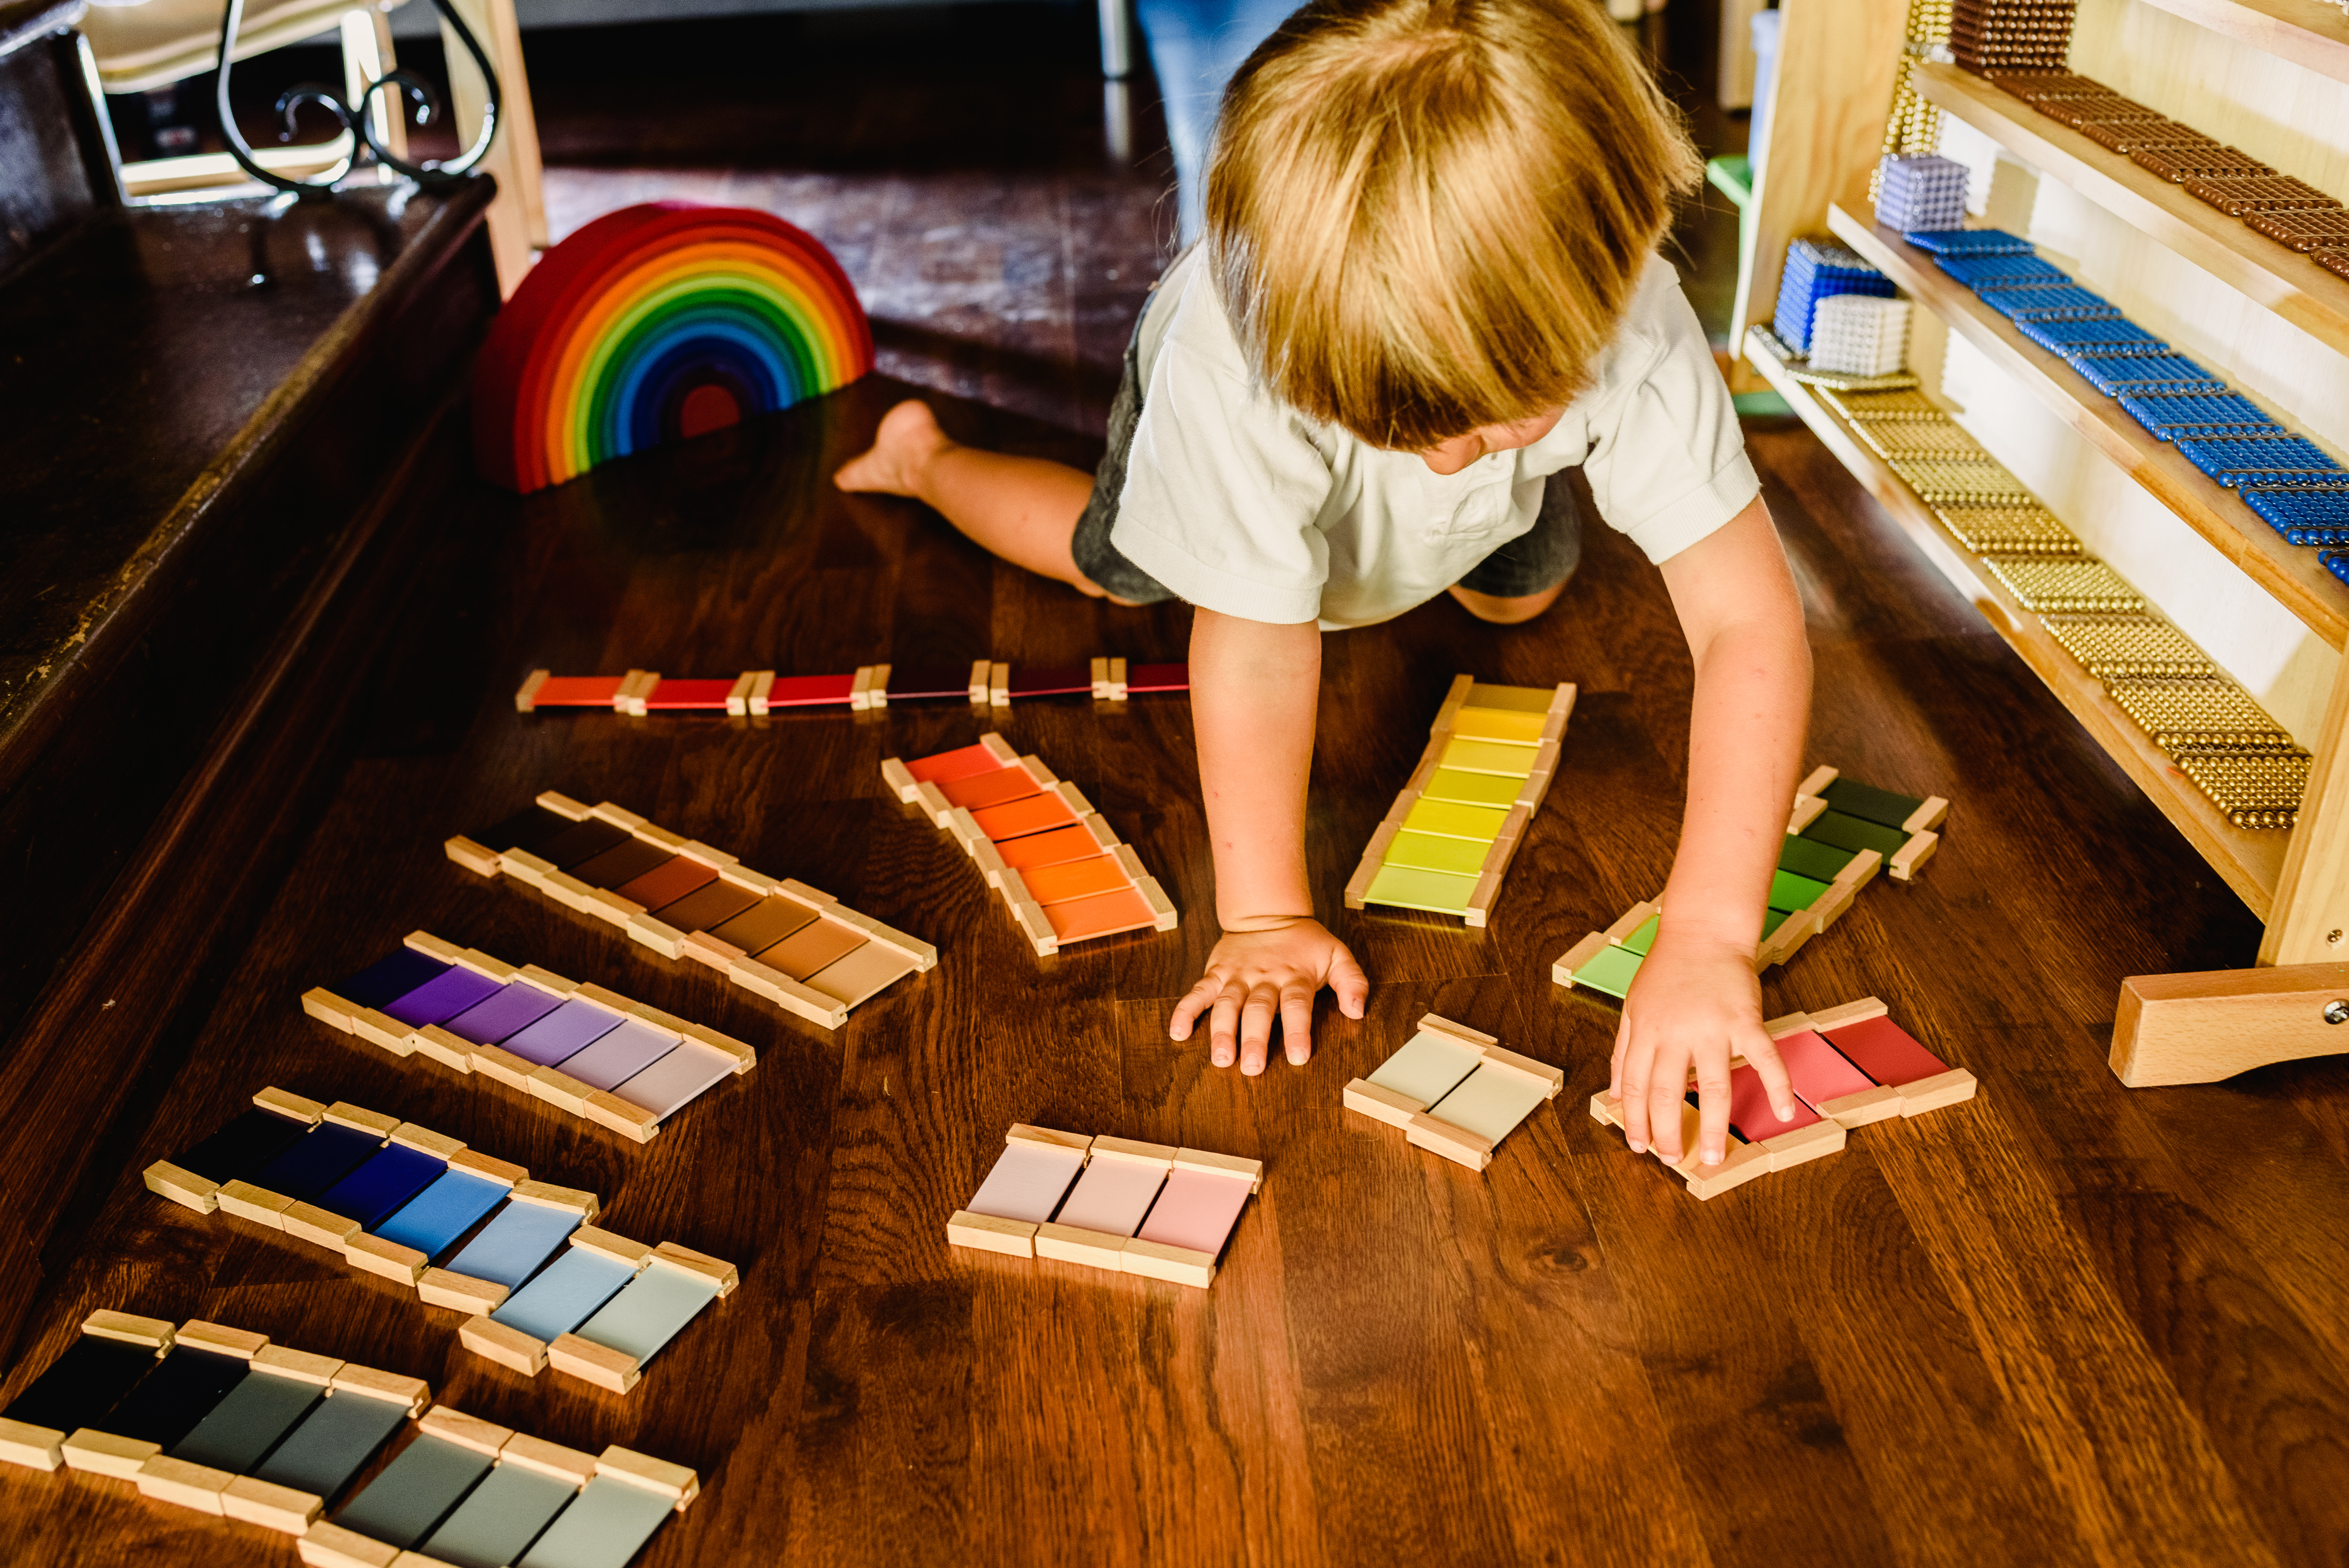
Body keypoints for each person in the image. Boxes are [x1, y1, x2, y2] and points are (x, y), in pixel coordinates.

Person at [835, 0, 1813, 1168]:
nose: (1447, 453)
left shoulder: (1637, 324)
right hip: (1236, 458)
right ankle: (926, 460)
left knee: (1520, 594)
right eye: (1416, 427)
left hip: (1462, 509)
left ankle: (1508, 502)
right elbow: (1250, 649)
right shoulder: (1230, 358)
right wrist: (1261, 920)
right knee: (1112, 568)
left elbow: (1749, 618)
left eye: (1493, 417)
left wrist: (1707, 934)